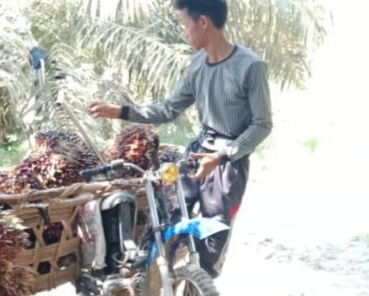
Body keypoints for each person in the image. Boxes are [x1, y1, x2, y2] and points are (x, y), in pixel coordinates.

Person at [87, 0, 272, 278]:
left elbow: (262, 125)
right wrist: (119, 111)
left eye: (186, 25)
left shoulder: (251, 66)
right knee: (167, 211)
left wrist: (221, 157)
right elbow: (169, 109)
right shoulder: (197, 63)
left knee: (213, 237)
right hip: (197, 153)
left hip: (227, 163)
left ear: (203, 22)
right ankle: (149, 275)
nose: (185, 32)